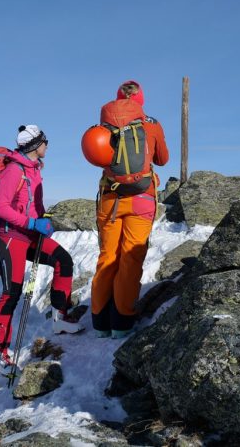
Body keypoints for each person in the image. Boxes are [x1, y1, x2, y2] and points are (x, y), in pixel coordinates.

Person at [0, 124, 83, 372]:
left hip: (31, 235)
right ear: (34, 145)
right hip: (11, 237)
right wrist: (32, 222)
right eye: (45, 141)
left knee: (64, 260)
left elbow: (31, 204)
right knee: (12, 293)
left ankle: (60, 317)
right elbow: (1, 207)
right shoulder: (14, 170)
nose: (47, 145)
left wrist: (42, 219)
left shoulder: (34, 169)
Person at [91, 80, 169, 339]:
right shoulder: (152, 124)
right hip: (142, 198)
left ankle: (100, 322)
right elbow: (162, 159)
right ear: (141, 100)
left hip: (110, 199)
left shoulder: (105, 126)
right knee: (131, 258)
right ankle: (121, 322)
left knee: (108, 256)